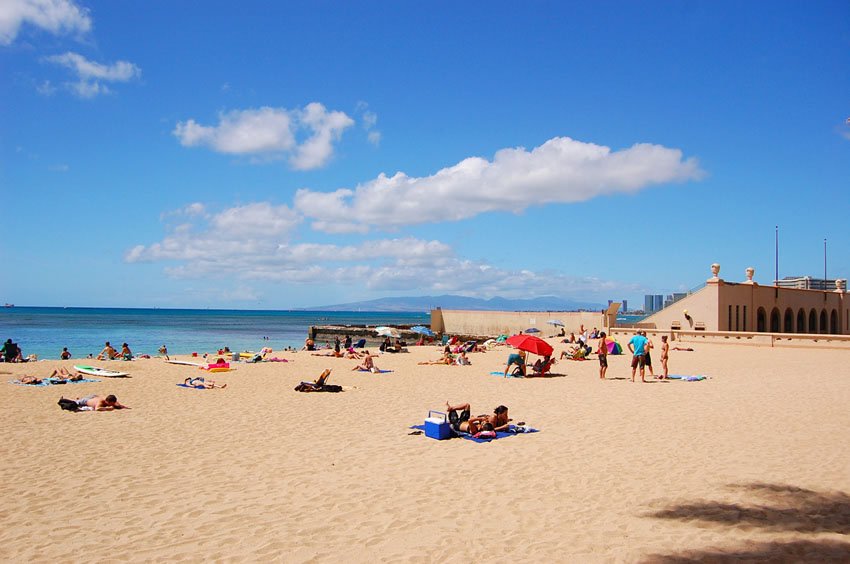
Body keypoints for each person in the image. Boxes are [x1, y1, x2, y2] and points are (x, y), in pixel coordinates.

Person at [445, 402, 512, 434]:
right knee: (467, 405)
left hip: (456, 423)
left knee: (453, 411)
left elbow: (470, 421)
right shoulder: (478, 427)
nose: (485, 422)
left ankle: (450, 408)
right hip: (463, 421)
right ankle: (451, 407)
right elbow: (493, 429)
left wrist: (480, 419)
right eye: (505, 414)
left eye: (484, 423)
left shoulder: (475, 430)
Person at [61, 394, 130, 411]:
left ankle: (78, 398)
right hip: (86, 401)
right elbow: (97, 408)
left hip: (93, 397)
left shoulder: (110, 400)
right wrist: (108, 409)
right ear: (107, 401)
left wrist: (123, 407)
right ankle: (64, 399)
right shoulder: (100, 402)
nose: (112, 405)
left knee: (78, 400)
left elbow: (117, 403)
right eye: (111, 403)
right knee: (75, 402)